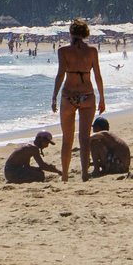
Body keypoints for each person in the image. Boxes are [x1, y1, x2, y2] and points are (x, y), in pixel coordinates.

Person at [51, 19, 105, 181]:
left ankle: (65, 176)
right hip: (87, 95)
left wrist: (54, 96)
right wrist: (102, 98)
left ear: (71, 33)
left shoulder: (63, 51)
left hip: (68, 96)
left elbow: (60, 75)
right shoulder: (92, 51)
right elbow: (97, 76)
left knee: (67, 140)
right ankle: (84, 173)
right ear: (85, 34)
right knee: (84, 137)